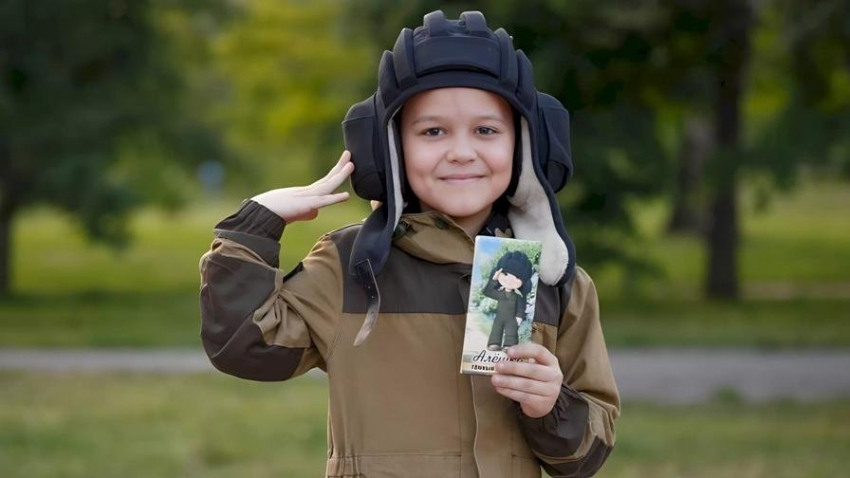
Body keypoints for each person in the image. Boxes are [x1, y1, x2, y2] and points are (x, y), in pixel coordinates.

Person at [199, 10, 619, 478]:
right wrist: (253, 227)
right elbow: (243, 347)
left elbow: (586, 457)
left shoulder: (555, 281)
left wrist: (550, 405)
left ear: (525, 145)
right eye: (433, 131)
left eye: (486, 130)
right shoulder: (350, 267)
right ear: (390, 149)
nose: (461, 152)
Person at [483, 251, 534, 351]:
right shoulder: (499, 293)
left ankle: (510, 346)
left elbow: (520, 308)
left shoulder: (518, 296)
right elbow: (487, 292)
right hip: (499, 317)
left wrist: (519, 318)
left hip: (512, 319)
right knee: (496, 331)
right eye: (505, 274)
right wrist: (494, 279)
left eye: (517, 277)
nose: (510, 280)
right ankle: (494, 343)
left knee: (511, 333)